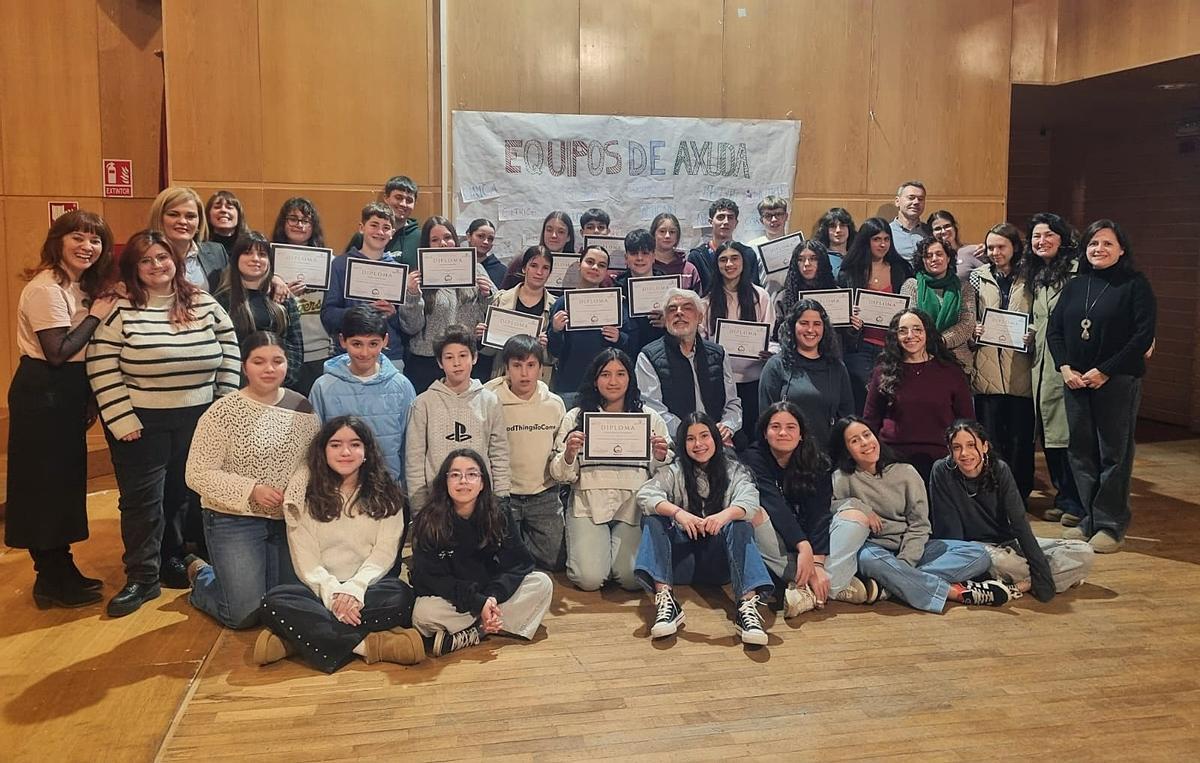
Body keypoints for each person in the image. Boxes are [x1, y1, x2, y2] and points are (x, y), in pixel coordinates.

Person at [87, 230, 241, 617]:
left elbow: (230, 352)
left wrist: (221, 409)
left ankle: (172, 558)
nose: (156, 266)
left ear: (175, 260)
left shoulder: (202, 301)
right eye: (146, 260)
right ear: (133, 268)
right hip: (141, 422)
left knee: (178, 497)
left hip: (198, 417)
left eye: (162, 258)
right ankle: (141, 576)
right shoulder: (120, 308)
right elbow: (102, 365)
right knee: (143, 503)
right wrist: (121, 418)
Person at [7, 210, 118, 609]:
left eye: (96, 240)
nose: (88, 246)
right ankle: (48, 576)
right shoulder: (45, 288)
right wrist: (96, 315)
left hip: (67, 391)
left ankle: (60, 566)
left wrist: (88, 397)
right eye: (79, 237)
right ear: (58, 240)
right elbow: (58, 352)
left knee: (63, 483)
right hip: (43, 390)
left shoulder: (78, 285)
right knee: (43, 485)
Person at [254, 416, 424, 672]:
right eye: (335, 445)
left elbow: (384, 553)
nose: (345, 452)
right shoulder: (305, 496)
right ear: (323, 451)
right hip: (319, 591)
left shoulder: (388, 494)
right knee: (274, 601)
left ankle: (295, 639)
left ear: (366, 452)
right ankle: (369, 645)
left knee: (402, 598)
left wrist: (355, 589)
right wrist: (334, 596)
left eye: (355, 444)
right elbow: (306, 561)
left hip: (370, 588)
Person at [184, 332, 320, 628]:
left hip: (286, 518)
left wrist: (294, 492)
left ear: (287, 364)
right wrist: (250, 490)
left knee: (286, 604)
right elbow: (197, 473)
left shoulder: (302, 407)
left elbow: (311, 462)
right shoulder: (222, 412)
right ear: (245, 367)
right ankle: (202, 576)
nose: (269, 369)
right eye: (259, 361)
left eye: (277, 361)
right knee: (244, 614)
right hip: (233, 518)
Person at [830, 417, 1015, 612]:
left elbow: (919, 525)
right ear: (847, 450)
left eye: (867, 435)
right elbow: (831, 507)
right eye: (855, 440)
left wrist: (903, 564)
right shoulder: (842, 478)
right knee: (867, 558)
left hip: (913, 547)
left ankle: (890, 585)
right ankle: (952, 592)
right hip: (876, 551)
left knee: (978, 556)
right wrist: (860, 507)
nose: (865, 443)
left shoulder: (905, 472)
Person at [1048, 219, 1156, 553]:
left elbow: (1142, 336)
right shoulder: (1076, 285)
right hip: (1075, 380)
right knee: (1081, 452)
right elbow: (1055, 331)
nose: (1099, 249)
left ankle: (1110, 524)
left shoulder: (1135, 285)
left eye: (1108, 243)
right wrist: (1064, 367)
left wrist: (1105, 371)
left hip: (1117, 381)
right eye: (1094, 243)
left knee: (1114, 453)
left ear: (1122, 249)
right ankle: (1089, 519)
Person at [634, 413, 773, 645]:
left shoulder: (735, 470)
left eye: (704, 436)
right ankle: (666, 602)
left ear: (716, 439)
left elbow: (750, 501)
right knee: (653, 518)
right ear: (682, 444)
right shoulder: (674, 470)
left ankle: (746, 608)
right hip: (679, 565)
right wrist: (679, 513)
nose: (698, 444)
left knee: (740, 523)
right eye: (690, 439)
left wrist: (723, 516)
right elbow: (646, 494)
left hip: (722, 565)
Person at [930, 420, 1094, 602]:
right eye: (957, 447)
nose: (964, 453)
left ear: (984, 446)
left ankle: (1020, 586)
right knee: (1010, 565)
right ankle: (1057, 576)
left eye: (971, 445)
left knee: (1083, 551)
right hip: (975, 549)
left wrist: (1041, 573)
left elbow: (1020, 524)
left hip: (1007, 541)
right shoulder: (942, 471)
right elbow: (952, 535)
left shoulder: (999, 469)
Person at [410, 449, 553, 657]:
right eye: (455, 475)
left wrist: (492, 598)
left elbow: (520, 564)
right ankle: (487, 625)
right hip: (455, 597)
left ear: (483, 482)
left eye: (472, 474)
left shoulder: (499, 513)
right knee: (423, 614)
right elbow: (430, 578)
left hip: (491, 594)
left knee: (541, 583)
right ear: (445, 481)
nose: (463, 481)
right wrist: (478, 602)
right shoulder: (428, 520)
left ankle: (476, 632)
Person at [744, 403, 881, 617]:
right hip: (779, 538)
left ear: (801, 434)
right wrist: (803, 545)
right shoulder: (754, 457)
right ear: (765, 432)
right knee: (752, 513)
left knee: (857, 517)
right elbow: (774, 504)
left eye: (791, 427)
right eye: (775, 426)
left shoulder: (817, 461)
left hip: (809, 538)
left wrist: (816, 561)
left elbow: (819, 514)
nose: (782, 432)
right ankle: (834, 584)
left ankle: (807, 590)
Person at [550, 349, 671, 591]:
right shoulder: (575, 418)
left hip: (632, 507)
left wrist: (660, 456)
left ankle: (615, 558)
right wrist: (569, 454)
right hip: (588, 505)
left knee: (631, 579)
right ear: (595, 380)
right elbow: (559, 474)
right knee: (590, 579)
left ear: (630, 379)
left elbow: (665, 474)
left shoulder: (650, 418)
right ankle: (603, 557)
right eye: (605, 374)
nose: (613, 381)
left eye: (620, 374)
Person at [863, 308, 974, 492]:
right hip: (893, 460)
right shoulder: (882, 372)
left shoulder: (950, 372)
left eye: (917, 329)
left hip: (941, 461)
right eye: (903, 330)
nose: (910, 335)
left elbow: (967, 422)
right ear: (895, 336)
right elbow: (870, 421)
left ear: (927, 333)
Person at [483, 336, 567, 571]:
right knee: (497, 562)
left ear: (541, 369)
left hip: (544, 493)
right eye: (517, 366)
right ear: (506, 368)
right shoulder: (490, 400)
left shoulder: (554, 404)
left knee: (555, 561)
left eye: (531, 365)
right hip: (504, 495)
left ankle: (522, 545)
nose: (524, 373)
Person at [405, 325, 510, 512]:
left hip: (479, 503)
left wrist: (501, 499)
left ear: (475, 358)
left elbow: (499, 453)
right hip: (436, 503)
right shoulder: (423, 403)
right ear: (439, 362)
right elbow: (414, 459)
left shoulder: (490, 401)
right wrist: (418, 508)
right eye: (449, 357)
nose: (456, 363)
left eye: (463, 356)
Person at [1021, 213, 1084, 525]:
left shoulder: (1076, 272)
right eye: (1035, 236)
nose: (1041, 241)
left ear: (1062, 238)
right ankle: (1065, 496)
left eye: (1048, 235)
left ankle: (1077, 502)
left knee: (1067, 437)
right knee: (1050, 437)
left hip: (1068, 365)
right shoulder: (1038, 273)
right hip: (1040, 365)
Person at [309, 306, 417, 483]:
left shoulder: (402, 386)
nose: (365, 353)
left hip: (388, 487)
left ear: (385, 341)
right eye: (357, 344)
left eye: (373, 344)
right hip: (337, 488)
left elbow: (410, 446)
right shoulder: (323, 387)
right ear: (343, 341)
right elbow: (315, 444)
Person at [969, 223, 1035, 502]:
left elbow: (1041, 315)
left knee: (1021, 440)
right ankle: (993, 494)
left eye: (1002, 247)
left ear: (1015, 247)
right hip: (987, 370)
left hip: (1021, 370)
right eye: (991, 247)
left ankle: (1020, 495)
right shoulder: (976, 278)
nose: (996, 252)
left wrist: (1033, 332)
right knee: (991, 439)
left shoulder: (1032, 278)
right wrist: (974, 328)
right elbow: (968, 314)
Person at [321, 202, 424, 371]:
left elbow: (408, 327)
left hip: (391, 356)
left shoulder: (397, 270)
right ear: (362, 228)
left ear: (392, 233)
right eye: (374, 225)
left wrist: (393, 315)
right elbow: (328, 315)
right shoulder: (340, 265)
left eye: (386, 227)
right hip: (348, 356)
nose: (380, 232)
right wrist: (361, 311)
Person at [635, 288, 742, 444]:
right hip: (675, 443)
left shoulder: (719, 353)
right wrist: (693, 435)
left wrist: (728, 426)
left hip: (718, 441)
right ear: (665, 319)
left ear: (700, 317)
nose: (679, 312)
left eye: (687, 308)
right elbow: (653, 410)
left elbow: (732, 403)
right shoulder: (648, 357)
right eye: (672, 309)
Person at [404, 216, 495, 393]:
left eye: (447, 237)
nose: (443, 244)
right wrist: (412, 295)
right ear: (426, 245)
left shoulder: (475, 268)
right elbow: (410, 327)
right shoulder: (417, 278)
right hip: (427, 363)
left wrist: (487, 296)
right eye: (435, 240)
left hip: (466, 361)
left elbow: (495, 314)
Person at [701, 241, 776, 447]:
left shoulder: (761, 296)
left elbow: (769, 335)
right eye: (723, 259)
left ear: (744, 263)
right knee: (726, 436)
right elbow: (703, 339)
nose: (729, 264)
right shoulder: (707, 301)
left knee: (753, 435)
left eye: (735, 258)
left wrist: (769, 352)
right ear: (716, 265)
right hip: (722, 381)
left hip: (754, 378)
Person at [836, 216, 912, 414]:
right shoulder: (848, 272)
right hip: (858, 347)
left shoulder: (901, 270)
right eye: (877, 239)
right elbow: (837, 316)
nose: (883, 244)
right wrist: (848, 317)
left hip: (891, 349)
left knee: (889, 405)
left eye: (887, 239)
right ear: (866, 241)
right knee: (862, 405)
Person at [212, 231, 305, 390]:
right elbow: (219, 349)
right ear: (236, 259)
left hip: (279, 386)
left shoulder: (282, 297)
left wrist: (281, 378)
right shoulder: (221, 300)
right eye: (247, 253)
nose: (255, 259)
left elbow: (295, 346)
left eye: (262, 254)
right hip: (236, 388)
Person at [758, 299, 854, 452]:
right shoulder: (776, 366)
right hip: (786, 455)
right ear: (792, 326)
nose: (810, 330)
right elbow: (765, 418)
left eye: (817, 324)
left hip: (826, 455)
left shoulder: (837, 367)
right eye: (804, 323)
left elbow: (847, 415)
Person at [547, 244, 634, 405]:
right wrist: (556, 331)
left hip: (609, 389)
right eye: (590, 262)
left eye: (601, 265)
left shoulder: (615, 303)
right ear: (580, 264)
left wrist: (619, 338)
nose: (595, 268)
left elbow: (631, 344)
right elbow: (554, 351)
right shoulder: (562, 304)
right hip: (571, 387)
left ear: (606, 271)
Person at [270, 197, 331, 395]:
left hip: (320, 352)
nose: (299, 225)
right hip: (284, 351)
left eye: (306, 220)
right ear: (283, 223)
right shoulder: (267, 262)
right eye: (293, 219)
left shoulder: (328, 260)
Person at [899, 236, 976, 370]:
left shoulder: (964, 287)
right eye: (928, 256)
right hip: (918, 358)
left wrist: (940, 341)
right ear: (923, 260)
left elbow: (967, 324)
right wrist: (926, 344)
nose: (934, 259)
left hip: (957, 360)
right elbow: (909, 324)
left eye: (939, 254)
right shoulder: (911, 286)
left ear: (948, 258)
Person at [478, 245, 555, 379]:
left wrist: (545, 347)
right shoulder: (501, 299)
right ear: (524, 268)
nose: (539, 272)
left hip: (536, 380)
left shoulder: (555, 306)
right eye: (534, 266)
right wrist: (482, 337)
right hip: (502, 375)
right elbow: (489, 352)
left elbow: (552, 359)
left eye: (545, 268)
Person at [148, 186, 228, 292]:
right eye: (173, 214)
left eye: (190, 216)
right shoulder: (141, 255)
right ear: (159, 218)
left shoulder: (217, 252)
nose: (183, 221)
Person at [686, 198, 761, 296]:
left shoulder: (747, 254)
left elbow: (753, 291)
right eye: (720, 217)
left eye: (730, 217)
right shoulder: (697, 257)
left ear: (736, 223)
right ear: (710, 221)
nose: (726, 222)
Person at [344, 175, 421, 265]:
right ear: (386, 198)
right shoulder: (364, 235)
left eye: (409, 200)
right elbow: (346, 269)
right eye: (398, 198)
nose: (403, 204)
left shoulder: (421, 238)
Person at [615, 229, 667, 356]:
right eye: (633, 253)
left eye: (645, 253)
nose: (639, 258)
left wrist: (668, 323)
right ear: (626, 258)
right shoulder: (615, 290)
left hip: (662, 357)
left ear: (654, 256)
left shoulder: (669, 287)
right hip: (627, 358)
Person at [772, 239, 839, 337]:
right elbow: (776, 335)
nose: (807, 264)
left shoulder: (838, 294)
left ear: (822, 262)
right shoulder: (784, 297)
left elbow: (847, 338)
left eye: (813, 258)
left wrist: (853, 327)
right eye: (801, 259)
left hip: (832, 350)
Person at [500, 211, 575, 289]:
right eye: (549, 230)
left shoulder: (576, 267)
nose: (554, 235)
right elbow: (504, 295)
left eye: (561, 232)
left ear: (568, 237)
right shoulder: (522, 260)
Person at [746, 195, 791, 294]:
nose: (774, 219)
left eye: (778, 214)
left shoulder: (796, 244)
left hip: (791, 300)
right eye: (768, 216)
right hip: (762, 301)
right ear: (761, 220)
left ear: (786, 216)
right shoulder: (752, 247)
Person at [650, 212, 703, 290]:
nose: (667, 236)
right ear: (653, 234)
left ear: (677, 236)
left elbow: (697, 299)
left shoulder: (689, 270)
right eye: (662, 231)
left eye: (672, 232)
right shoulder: (645, 266)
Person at [927, 209, 985, 279]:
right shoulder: (930, 258)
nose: (943, 231)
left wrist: (988, 249)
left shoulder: (973, 251)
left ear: (954, 227)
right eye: (937, 229)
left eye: (947, 226)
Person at [889, 180, 931, 263]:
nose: (916, 202)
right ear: (897, 201)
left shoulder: (931, 232)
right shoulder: (887, 232)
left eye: (920, 199)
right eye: (911, 198)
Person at [811, 207, 856, 277]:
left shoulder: (858, 256)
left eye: (842, 225)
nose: (838, 230)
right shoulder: (819, 258)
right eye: (833, 226)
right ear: (826, 231)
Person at [205, 190, 249, 257]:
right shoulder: (198, 246)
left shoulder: (249, 246)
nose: (223, 210)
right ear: (208, 215)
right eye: (217, 207)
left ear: (239, 215)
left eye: (229, 207)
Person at [465, 218, 506, 286]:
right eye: (480, 236)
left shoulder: (501, 271)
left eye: (490, 239)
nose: (486, 242)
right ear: (469, 237)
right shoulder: (458, 265)